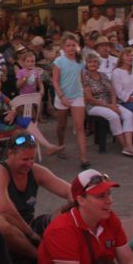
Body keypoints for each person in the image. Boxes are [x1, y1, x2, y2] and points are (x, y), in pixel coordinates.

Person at [0, 132, 72, 262]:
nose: (29, 164)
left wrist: (74, 202)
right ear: (10, 153)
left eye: (32, 159)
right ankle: (41, 258)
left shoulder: (36, 171)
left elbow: (71, 190)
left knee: (76, 204)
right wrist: (30, 233)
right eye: (24, 159)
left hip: (28, 228)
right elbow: (4, 208)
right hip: (0, 233)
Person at [37, 169, 133, 264]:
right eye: (101, 196)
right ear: (81, 200)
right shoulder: (61, 231)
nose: (110, 201)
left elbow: (129, 261)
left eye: (109, 194)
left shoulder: (109, 218)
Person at [82, 53, 133, 158]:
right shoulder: (85, 77)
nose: (93, 64)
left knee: (128, 114)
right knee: (113, 116)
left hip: (110, 103)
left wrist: (114, 104)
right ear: (86, 64)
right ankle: (125, 146)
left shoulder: (103, 75)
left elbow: (112, 91)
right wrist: (110, 107)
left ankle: (129, 145)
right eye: (90, 62)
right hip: (94, 105)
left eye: (95, 62)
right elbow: (89, 98)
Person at [52, 33, 89, 169]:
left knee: (79, 127)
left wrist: (85, 91)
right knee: (62, 125)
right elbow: (55, 80)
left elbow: (82, 77)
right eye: (68, 46)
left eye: (73, 45)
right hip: (62, 96)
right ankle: (60, 145)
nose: (71, 48)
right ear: (63, 47)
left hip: (77, 96)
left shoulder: (80, 61)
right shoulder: (59, 61)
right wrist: (62, 97)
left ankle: (83, 157)